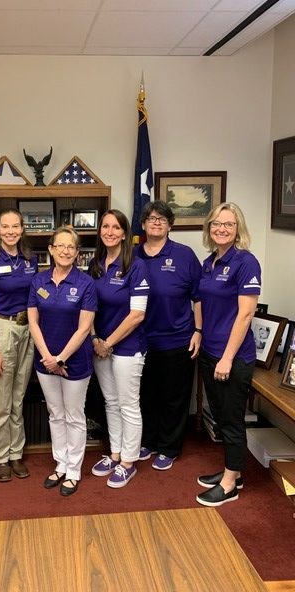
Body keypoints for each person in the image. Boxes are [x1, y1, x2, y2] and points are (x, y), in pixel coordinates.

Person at [196, 202, 261, 506]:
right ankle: (232, 470)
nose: (222, 229)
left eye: (229, 224)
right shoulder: (209, 263)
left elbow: (245, 315)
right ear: (209, 229)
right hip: (210, 352)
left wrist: (227, 357)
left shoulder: (246, 262)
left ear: (238, 230)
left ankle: (229, 484)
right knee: (221, 418)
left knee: (232, 420)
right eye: (216, 224)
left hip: (232, 357)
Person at [28, 227, 96, 496]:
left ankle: (74, 470)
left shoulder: (86, 284)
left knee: (74, 415)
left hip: (75, 363)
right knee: (55, 414)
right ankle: (60, 463)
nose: (65, 251)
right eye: (60, 246)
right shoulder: (39, 281)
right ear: (51, 249)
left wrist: (61, 358)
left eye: (71, 247)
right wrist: (48, 357)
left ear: (78, 254)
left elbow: (84, 328)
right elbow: (33, 321)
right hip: (45, 361)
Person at [136, 201, 202, 471]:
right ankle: (149, 442)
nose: (156, 222)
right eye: (151, 218)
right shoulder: (132, 255)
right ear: (143, 225)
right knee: (145, 395)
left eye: (162, 219)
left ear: (170, 224)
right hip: (140, 341)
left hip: (177, 339)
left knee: (174, 397)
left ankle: (169, 448)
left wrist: (199, 331)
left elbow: (198, 298)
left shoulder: (185, 255)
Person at [0, 209, 38, 482]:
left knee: (18, 399)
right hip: (1, 329)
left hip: (27, 330)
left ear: (22, 229)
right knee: (1, 402)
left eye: (15, 226)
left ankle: (15, 453)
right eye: (5, 226)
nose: (11, 231)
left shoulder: (30, 259)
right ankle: (0, 456)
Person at [89, 210, 150, 489]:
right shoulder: (96, 264)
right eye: (105, 226)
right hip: (100, 345)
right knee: (110, 402)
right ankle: (114, 454)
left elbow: (137, 315)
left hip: (126, 348)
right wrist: (94, 339)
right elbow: (88, 308)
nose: (110, 231)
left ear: (125, 233)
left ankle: (129, 462)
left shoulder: (135, 266)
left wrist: (108, 343)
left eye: (116, 227)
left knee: (128, 405)